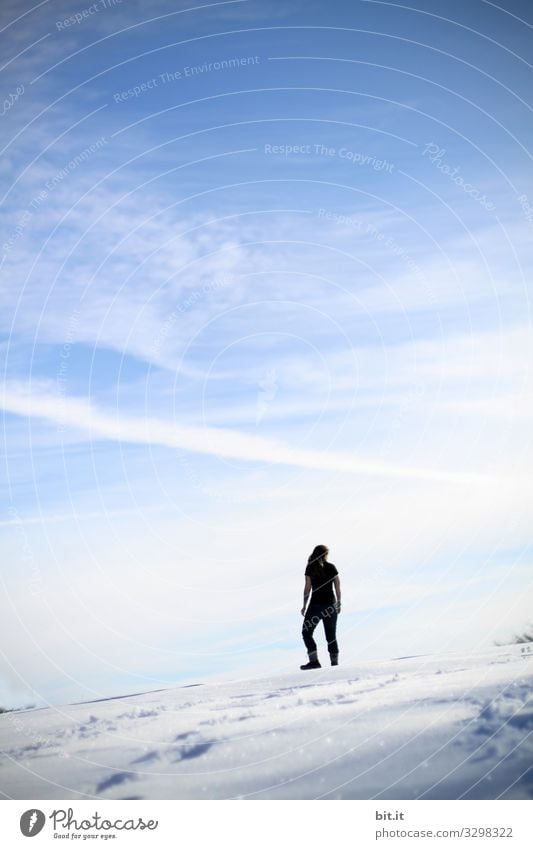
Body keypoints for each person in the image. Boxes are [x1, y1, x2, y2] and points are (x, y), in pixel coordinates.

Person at [300, 544, 341, 669]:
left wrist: (304, 605)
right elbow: (338, 587)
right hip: (330, 606)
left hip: (316, 606)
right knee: (331, 635)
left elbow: (307, 588)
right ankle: (334, 663)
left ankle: (314, 661)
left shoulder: (310, 568)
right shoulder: (331, 567)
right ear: (325, 554)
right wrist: (338, 602)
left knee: (306, 632)